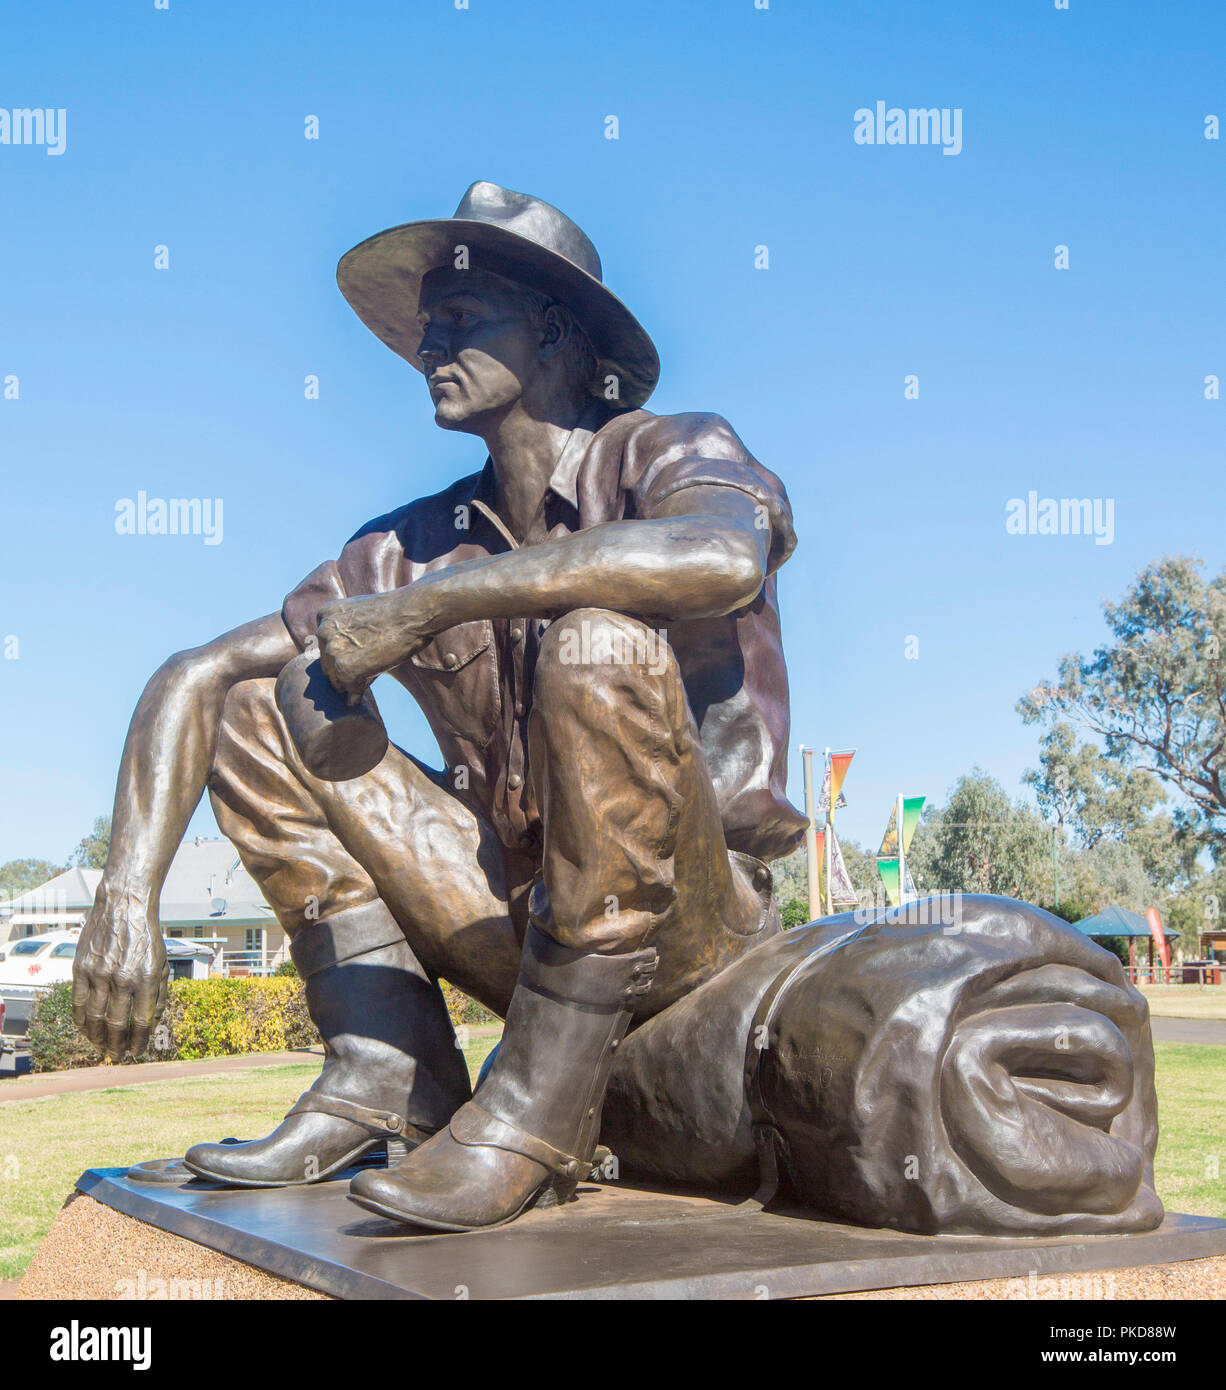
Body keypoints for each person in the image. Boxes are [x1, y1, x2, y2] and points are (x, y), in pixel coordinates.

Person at [73, 182, 806, 1232]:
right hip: (517, 922)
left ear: (554, 331)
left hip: (687, 925)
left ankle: (540, 1120)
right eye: (424, 329)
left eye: (460, 319)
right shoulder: (409, 537)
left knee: (597, 639)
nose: (430, 345)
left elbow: (719, 554)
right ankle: (389, 1069)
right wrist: (126, 900)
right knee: (252, 699)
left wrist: (428, 607)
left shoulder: (665, 451)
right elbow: (195, 672)